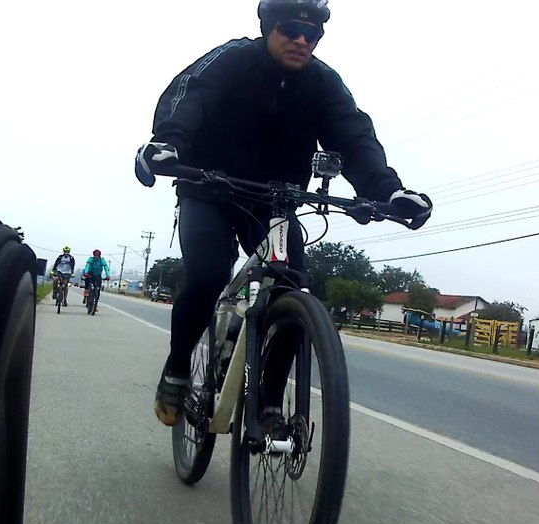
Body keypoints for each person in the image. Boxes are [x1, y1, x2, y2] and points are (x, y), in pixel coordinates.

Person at [134, 0, 434, 426]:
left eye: (312, 35)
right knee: (208, 275)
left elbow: (354, 136)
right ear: (268, 27)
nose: (301, 41)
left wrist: (388, 191)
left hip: (273, 201)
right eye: (291, 29)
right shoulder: (233, 58)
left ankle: (269, 404)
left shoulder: (323, 83)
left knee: (294, 287)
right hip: (208, 189)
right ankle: (178, 368)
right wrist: (168, 143)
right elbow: (190, 94)